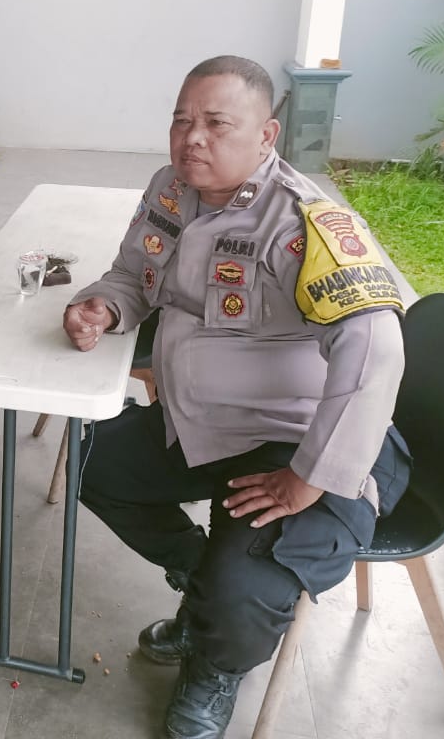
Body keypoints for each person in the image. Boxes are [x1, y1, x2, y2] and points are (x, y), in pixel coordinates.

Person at [63, 56, 411, 739]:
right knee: (89, 461)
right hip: (198, 423)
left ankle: (215, 662)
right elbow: (133, 272)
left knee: (247, 583)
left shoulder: (304, 222)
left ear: (266, 135)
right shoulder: (171, 189)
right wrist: (104, 305)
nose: (192, 138)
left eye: (217, 123)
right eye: (182, 120)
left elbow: (378, 348)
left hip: (297, 437)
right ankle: (204, 592)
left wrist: (310, 478)